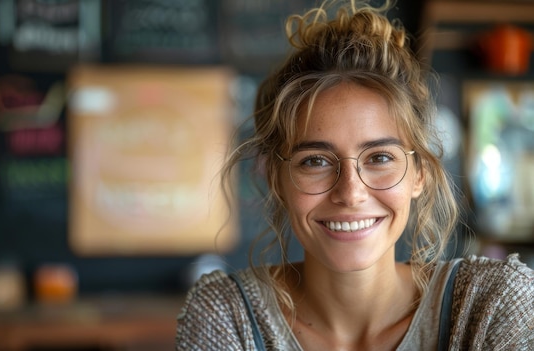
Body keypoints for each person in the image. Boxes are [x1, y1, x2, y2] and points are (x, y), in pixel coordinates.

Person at [175, 0, 534, 350]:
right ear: (274, 178)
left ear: (419, 173)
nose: (351, 192)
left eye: (379, 157)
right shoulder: (226, 315)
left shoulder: (492, 304)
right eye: (315, 161)